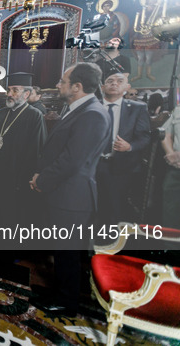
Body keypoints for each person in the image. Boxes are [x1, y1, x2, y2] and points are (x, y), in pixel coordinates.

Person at [29, 62, 110, 316]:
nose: (58, 85)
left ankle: (66, 303)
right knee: (62, 252)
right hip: (64, 195)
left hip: (73, 198)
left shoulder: (93, 114)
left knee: (68, 254)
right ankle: (59, 293)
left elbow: (73, 160)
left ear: (77, 87)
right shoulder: (80, 108)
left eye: (63, 82)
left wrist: (41, 180)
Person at [0, 73, 46, 228]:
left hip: (16, 178)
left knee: (11, 218)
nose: (9, 94)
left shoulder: (34, 116)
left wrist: (26, 177)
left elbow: (37, 149)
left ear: (27, 94)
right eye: (8, 90)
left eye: (15, 90)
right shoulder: (1, 114)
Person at [96, 68, 150, 228]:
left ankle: (112, 247)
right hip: (93, 164)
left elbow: (145, 137)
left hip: (121, 166)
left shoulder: (137, 108)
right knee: (93, 208)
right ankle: (90, 247)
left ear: (127, 87)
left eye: (120, 81)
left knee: (116, 209)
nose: (114, 84)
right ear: (102, 87)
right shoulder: (94, 106)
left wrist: (130, 146)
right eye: (110, 81)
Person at [161, 105, 180, 228]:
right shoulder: (178, 110)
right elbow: (165, 134)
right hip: (176, 168)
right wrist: (170, 153)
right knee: (170, 211)